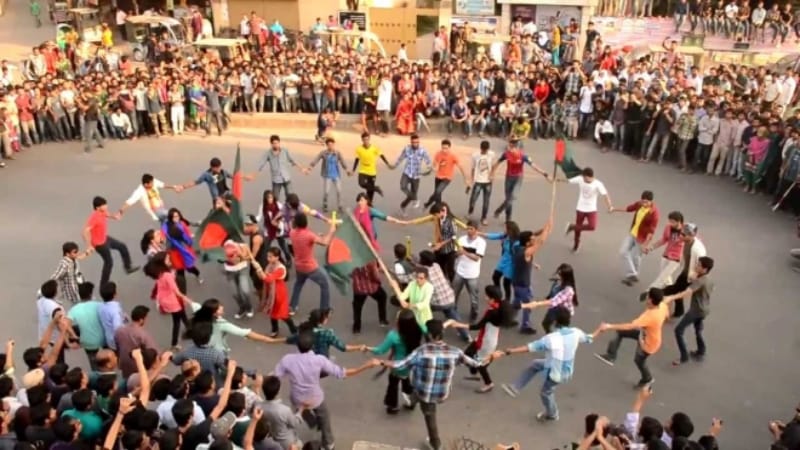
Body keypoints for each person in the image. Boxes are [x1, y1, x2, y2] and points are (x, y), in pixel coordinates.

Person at [378, 319, 484, 450]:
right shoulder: (454, 352)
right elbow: (474, 363)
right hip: (442, 392)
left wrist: (380, 362)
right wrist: (491, 357)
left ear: (431, 336)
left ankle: (435, 444)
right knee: (416, 395)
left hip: (424, 392)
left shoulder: (422, 352)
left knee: (429, 415)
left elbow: (401, 364)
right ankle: (410, 402)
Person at [274, 329, 379, 450]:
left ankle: (311, 420)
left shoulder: (287, 359)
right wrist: (365, 366)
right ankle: (328, 443)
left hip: (297, 398)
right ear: (313, 346)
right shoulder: (319, 360)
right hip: (315, 398)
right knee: (324, 418)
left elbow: (275, 377)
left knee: (300, 408)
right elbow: (341, 373)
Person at [494, 306, 595, 422]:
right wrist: (601, 329)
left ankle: (552, 414)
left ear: (555, 322)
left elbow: (529, 348)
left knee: (546, 393)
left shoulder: (550, 339)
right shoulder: (576, 332)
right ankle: (516, 387)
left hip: (556, 374)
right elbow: (589, 338)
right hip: (564, 368)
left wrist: (508, 351)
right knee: (535, 364)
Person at [594, 287, 669, 388]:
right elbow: (667, 308)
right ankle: (611, 355)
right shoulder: (662, 306)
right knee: (621, 332)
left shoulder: (650, 317)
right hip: (645, 334)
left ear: (650, 299)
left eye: (648, 295)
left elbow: (629, 326)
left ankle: (647, 378)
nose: (646, 297)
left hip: (648, 344)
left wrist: (609, 326)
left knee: (639, 361)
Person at [444, 286, 513, 393]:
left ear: (492, 299)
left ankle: (488, 383)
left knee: (481, 364)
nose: (485, 297)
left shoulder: (492, 312)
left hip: (486, 342)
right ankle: (474, 368)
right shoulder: (500, 306)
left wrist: (458, 324)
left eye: (487, 296)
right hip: (486, 338)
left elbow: (477, 326)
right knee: (468, 353)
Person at [368, 308, 424, 414]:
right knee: (406, 380)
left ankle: (392, 405)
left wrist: (367, 348)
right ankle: (411, 401)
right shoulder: (418, 329)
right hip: (411, 363)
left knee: (393, 384)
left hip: (397, 365)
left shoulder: (393, 336)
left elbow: (380, 350)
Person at [663, 256, 715, 365]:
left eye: (699, 265)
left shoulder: (700, 281)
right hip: (705, 309)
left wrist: (671, 297)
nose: (696, 266)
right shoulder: (709, 279)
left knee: (678, 331)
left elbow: (686, 293)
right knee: (698, 330)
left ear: (705, 269)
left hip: (695, 311)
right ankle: (701, 351)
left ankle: (684, 357)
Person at [82, 196, 138, 287]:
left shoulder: (103, 212)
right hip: (99, 244)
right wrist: (89, 246)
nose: (106, 206)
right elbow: (85, 231)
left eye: (105, 204)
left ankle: (128, 267)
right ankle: (103, 284)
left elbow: (107, 214)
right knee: (109, 262)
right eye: (104, 205)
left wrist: (115, 217)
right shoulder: (94, 217)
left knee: (122, 246)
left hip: (105, 238)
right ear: (97, 207)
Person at [490, 139, 550, 221]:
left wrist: (545, 174)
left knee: (512, 197)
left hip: (518, 178)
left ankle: (499, 210)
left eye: (513, 147)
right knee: (508, 199)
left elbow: (534, 166)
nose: (511, 149)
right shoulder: (506, 154)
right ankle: (508, 219)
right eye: (510, 146)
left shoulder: (523, 156)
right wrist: (492, 174)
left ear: (517, 148)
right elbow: (497, 163)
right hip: (508, 177)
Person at [289, 213, 336, 314]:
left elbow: (306, 238)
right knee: (324, 284)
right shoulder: (308, 235)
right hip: (310, 267)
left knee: (298, 284)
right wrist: (331, 231)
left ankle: (292, 306)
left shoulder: (292, 233)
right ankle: (325, 309)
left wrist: (317, 236)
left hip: (298, 265)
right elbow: (325, 242)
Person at [512, 219, 554, 335]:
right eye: (531, 240)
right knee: (528, 305)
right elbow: (540, 242)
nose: (534, 239)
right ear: (527, 243)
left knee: (516, 299)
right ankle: (525, 325)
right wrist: (546, 231)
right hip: (523, 284)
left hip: (515, 281)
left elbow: (534, 235)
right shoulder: (526, 253)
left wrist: (545, 227)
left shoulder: (517, 246)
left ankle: (509, 316)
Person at [610, 190, 660, 286]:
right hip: (632, 233)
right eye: (643, 201)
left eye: (646, 202)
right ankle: (633, 273)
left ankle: (632, 275)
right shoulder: (639, 204)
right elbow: (628, 208)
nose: (644, 204)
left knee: (636, 257)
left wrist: (645, 244)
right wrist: (614, 209)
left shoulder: (654, 213)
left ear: (651, 201)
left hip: (642, 238)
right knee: (623, 252)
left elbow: (651, 231)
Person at [144, 251, 192, 349]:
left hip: (165, 300)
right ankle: (174, 343)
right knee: (177, 320)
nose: (170, 260)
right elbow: (176, 290)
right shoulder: (167, 275)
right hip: (172, 301)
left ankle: (190, 329)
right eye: (168, 259)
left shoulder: (159, 273)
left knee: (182, 315)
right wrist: (187, 299)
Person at [564, 167, 614, 253]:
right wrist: (553, 179)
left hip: (591, 209)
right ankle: (576, 245)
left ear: (588, 177)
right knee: (578, 230)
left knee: (592, 226)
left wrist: (610, 206)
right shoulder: (580, 179)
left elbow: (605, 195)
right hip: (580, 208)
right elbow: (567, 180)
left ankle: (571, 227)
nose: (583, 179)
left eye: (584, 177)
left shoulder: (598, 184)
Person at [250, 247, 297, 337]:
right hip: (272, 291)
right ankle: (275, 330)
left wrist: (259, 268)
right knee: (273, 313)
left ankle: (293, 330)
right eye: (268, 256)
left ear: (277, 257)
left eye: (271, 257)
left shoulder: (280, 268)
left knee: (282, 314)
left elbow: (268, 279)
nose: (268, 258)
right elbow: (263, 277)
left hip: (278, 293)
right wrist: (258, 269)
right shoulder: (270, 265)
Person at [664, 223, 707, 318]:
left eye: (684, 235)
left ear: (692, 235)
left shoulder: (698, 250)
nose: (681, 236)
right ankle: (679, 311)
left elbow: (702, 266)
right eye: (681, 233)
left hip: (691, 276)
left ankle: (657, 294)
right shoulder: (686, 241)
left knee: (673, 290)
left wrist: (694, 277)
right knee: (676, 289)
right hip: (685, 271)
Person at [522, 263, 578, 333]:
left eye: (560, 274)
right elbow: (552, 295)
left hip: (563, 313)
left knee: (560, 330)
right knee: (545, 324)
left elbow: (555, 300)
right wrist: (545, 299)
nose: (557, 275)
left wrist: (537, 304)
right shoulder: (558, 282)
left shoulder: (568, 290)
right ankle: (550, 336)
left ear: (565, 277)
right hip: (554, 309)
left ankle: (556, 341)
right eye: (558, 272)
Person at [642, 211, 685, 297]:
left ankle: (648, 291)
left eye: (672, 222)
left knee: (662, 277)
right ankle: (671, 295)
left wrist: (684, 259)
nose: (670, 223)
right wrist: (651, 248)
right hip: (666, 255)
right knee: (666, 279)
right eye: (670, 221)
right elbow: (663, 240)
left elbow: (691, 243)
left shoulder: (685, 230)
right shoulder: (668, 228)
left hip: (676, 259)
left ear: (679, 221)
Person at [162, 208, 203, 294]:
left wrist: (190, 240)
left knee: (190, 268)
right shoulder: (167, 226)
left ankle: (198, 275)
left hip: (184, 250)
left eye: (177, 216)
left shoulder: (182, 224)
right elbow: (165, 235)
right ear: (170, 218)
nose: (176, 218)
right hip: (174, 252)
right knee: (180, 270)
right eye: (174, 217)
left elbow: (187, 236)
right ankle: (182, 290)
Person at [453, 219, 487, 322]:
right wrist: (458, 253)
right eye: (467, 228)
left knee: (473, 296)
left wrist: (464, 252)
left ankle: (474, 311)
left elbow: (477, 258)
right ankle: (452, 310)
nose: (469, 230)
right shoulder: (461, 239)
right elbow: (455, 253)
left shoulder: (481, 243)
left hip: (472, 274)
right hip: (460, 271)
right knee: (454, 293)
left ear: (476, 230)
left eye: (471, 229)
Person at [65, 282, 104, 370]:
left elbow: (65, 326)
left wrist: (69, 342)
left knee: (94, 367)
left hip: (87, 342)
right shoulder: (99, 305)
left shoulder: (74, 309)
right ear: (91, 294)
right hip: (103, 341)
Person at [258, 135, 309, 202]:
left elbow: (292, 160)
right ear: (271, 144)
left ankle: (289, 210)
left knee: (290, 197)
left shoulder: (285, 151)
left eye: (277, 143)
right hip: (276, 179)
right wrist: (253, 174)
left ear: (279, 143)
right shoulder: (268, 153)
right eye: (274, 143)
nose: (276, 145)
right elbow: (261, 164)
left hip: (286, 178)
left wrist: (302, 169)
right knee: (275, 198)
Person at [307, 137, 351, 212]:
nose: (331, 146)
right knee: (326, 192)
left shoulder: (337, 153)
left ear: (334, 144)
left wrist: (347, 170)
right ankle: (325, 204)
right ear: (327, 145)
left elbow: (342, 162)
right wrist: (311, 167)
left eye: (332, 145)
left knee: (339, 191)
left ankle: (340, 206)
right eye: (329, 145)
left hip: (336, 175)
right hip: (327, 175)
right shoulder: (324, 153)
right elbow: (316, 159)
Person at [423, 139, 470, 209]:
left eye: (446, 148)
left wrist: (465, 179)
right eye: (443, 148)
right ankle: (437, 210)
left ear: (449, 148)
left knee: (438, 191)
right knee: (437, 194)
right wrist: (433, 169)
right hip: (438, 177)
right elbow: (434, 165)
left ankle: (428, 204)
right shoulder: (438, 154)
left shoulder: (453, 156)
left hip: (447, 178)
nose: (444, 150)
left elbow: (461, 167)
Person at [118, 173, 183, 222]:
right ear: (146, 184)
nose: (153, 184)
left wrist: (174, 187)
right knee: (173, 214)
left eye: (153, 182)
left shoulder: (153, 182)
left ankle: (167, 236)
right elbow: (130, 202)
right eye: (151, 183)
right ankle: (186, 223)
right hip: (155, 211)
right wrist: (121, 211)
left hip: (161, 207)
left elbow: (163, 185)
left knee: (167, 224)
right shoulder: (139, 191)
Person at [394, 134, 432, 215]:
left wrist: (429, 168)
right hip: (407, 172)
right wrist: (394, 165)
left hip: (416, 175)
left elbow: (428, 160)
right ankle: (414, 198)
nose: (415, 144)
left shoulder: (422, 150)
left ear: (419, 142)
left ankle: (403, 205)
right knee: (403, 186)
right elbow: (401, 157)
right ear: (411, 142)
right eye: (413, 142)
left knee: (413, 194)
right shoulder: (407, 149)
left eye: (417, 142)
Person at [483, 221, 521, 302]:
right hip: (503, 261)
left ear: (510, 230)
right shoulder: (505, 236)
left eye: (505, 228)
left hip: (511, 264)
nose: (504, 229)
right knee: (495, 277)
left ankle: (507, 300)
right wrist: (479, 233)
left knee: (506, 283)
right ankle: (498, 294)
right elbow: (493, 236)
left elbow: (521, 255)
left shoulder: (516, 242)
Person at [389, 267, 433, 334]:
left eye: (421, 278)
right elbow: (402, 297)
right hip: (413, 315)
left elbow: (425, 303)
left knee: (426, 334)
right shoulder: (412, 284)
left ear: (426, 279)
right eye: (417, 277)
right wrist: (396, 287)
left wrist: (409, 305)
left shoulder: (429, 287)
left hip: (424, 317)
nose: (418, 280)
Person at [353, 132, 392, 205]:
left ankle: (370, 204)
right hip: (363, 170)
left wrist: (387, 163)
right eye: (364, 140)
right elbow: (357, 160)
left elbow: (381, 155)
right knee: (361, 183)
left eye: (367, 139)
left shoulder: (374, 148)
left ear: (369, 139)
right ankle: (376, 188)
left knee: (370, 191)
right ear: (362, 140)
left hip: (372, 172)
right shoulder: (359, 149)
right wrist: (353, 170)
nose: (366, 141)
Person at [350, 260, 389, 334]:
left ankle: (356, 327)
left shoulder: (352, 260)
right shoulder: (370, 260)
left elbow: (350, 274)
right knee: (382, 297)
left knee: (357, 307)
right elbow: (375, 275)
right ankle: (382, 319)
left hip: (358, 288)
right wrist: (379, 281)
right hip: (371, 286)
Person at [468, 140, 496, 225]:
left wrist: (492, 175)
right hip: (478, 180)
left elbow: (494, 165)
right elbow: (473, 168)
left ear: (488, 149)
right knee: (473, 199)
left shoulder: (492, 154)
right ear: (480, 148)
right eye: (483, 150)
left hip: (487, 181)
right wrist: (471, 179)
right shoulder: (475, 155)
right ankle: (471, 208)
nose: (484, 151)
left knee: (486, 200)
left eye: (486, 150)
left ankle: (484, 217)